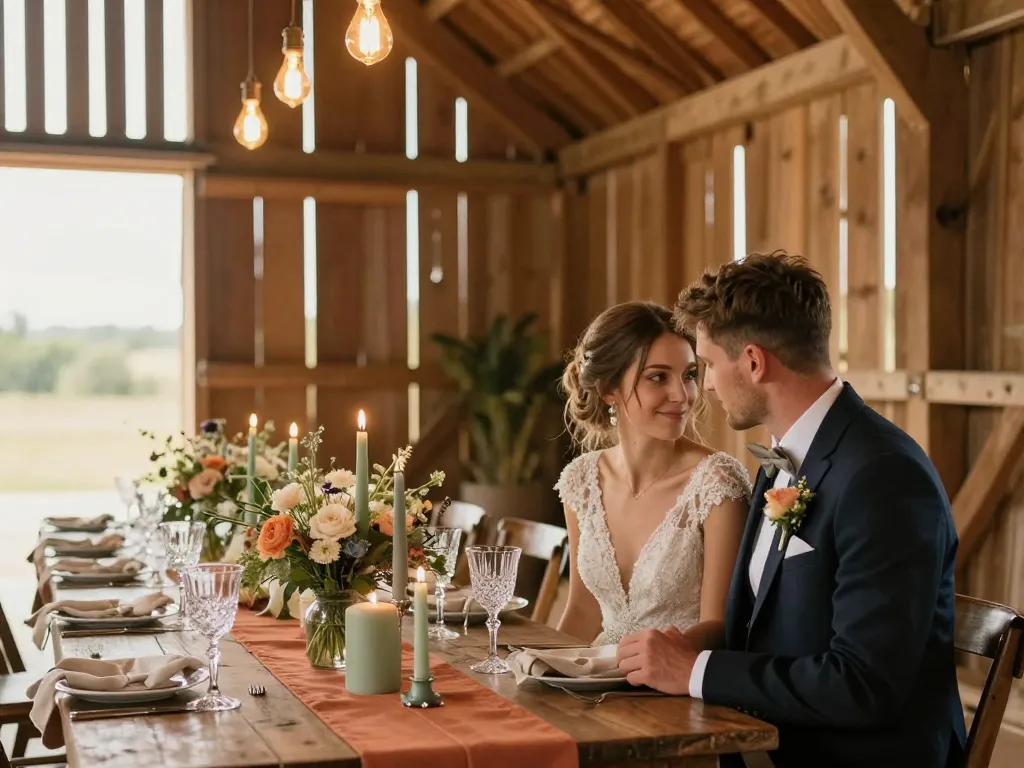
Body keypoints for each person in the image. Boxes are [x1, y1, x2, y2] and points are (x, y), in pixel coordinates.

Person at [616, 252, 966, 768]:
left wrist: (695, 672)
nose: (705, 386)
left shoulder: (884, 476)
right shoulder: (783, 459)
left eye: (709, 365)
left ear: (754, 362)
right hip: (759, 742)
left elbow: (864, 685)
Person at [555, 300, 750, 650]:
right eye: (658, 377)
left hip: (677, 687)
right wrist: (544, 669)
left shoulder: (718, 484)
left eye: (689, 375)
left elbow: (719, 627)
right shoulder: (581, 480)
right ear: (608, 389)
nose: (682, 395)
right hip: (596, 682)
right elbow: (583, 612)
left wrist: (645, 664)